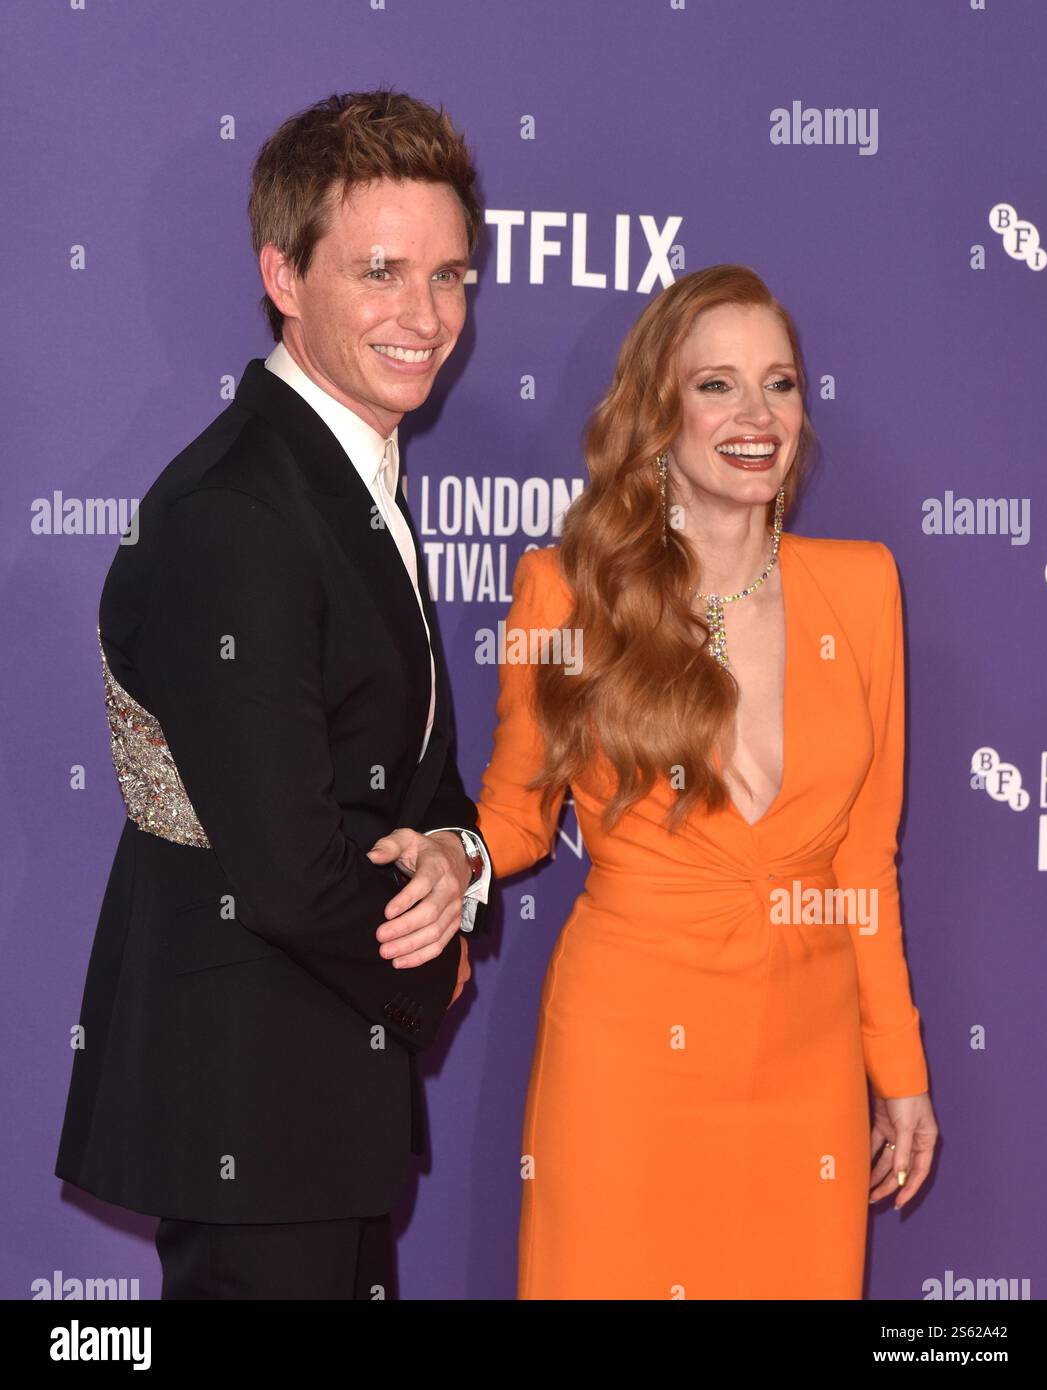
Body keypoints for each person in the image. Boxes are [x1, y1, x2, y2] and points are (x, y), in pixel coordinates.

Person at [55, 89, 493, 1300]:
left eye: (450, 276)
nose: (426, 317)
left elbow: (411, 771)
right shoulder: (238, 510)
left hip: (321, 1101)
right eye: (382, 272)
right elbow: (290, 860)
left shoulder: (346, 472)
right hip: (250, 1091)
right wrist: (435, 960)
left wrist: (460, 859)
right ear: (283, 276)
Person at [475, 264, 940, 1299]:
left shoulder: (861, 587)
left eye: (778, 384)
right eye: (715, 384)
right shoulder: (564, 595)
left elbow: (863, 860)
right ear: (656, 412)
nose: (755, 415)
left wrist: (897, 1071)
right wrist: (450, 854)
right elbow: (513, 812)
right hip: (627, 1049)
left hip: (804, 1060)